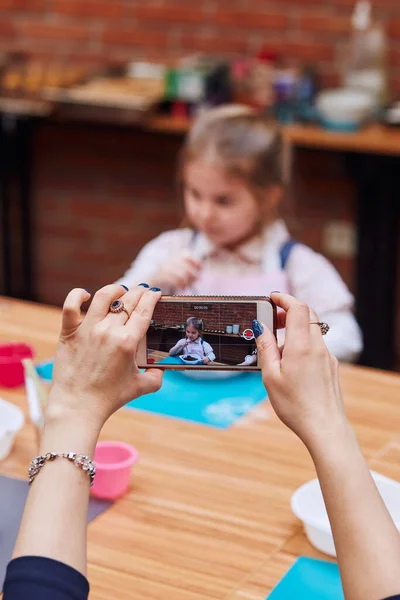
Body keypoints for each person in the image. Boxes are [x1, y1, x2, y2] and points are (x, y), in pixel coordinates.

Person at [3, 286, 400, 600]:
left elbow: (38, 588)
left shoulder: (207, 344)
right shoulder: (181, 337)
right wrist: (327, 419)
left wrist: (72, 408)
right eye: (189, 331)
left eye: (193, 332)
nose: (191, 335)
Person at [116, 106, 362, 363]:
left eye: (223, 201)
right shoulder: (168, 250)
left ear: (268, 197)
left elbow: (347, 336)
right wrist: (153, 283)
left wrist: (285, 347)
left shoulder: (298, 265)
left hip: (266, 401)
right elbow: (115, 311)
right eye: (195, 194)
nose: (205, 213)